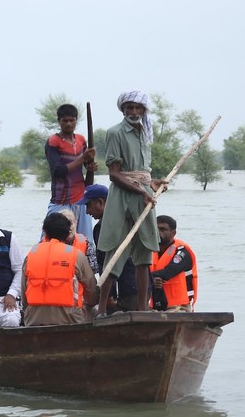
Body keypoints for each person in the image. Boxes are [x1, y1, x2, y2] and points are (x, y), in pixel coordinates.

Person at [94, 90, 168, 318]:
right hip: (123, 198)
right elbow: (114, 174)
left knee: (144, 256)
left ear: (144, 110)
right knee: (115, 253)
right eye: (129, 108)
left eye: (137, 108)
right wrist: (141, 190)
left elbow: (142, 173)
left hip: (144, 196)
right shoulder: (115, 132)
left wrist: (153, 184)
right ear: (123, 110)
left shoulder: (145, 133)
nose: (134, 112)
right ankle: (102, 310)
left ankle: (143, 310)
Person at [20, 212, 97, 326]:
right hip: (69, 319)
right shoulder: (76, 255)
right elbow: (92, 291)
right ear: (67, 234)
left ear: (45, 232)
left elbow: (24, 294)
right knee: (94, 312)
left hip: (34, 319)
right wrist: (89, 304)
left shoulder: (31, 255)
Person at [80, 183, 141, 313]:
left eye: (88, 205)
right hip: (139, 285)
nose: (87, 212)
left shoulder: (103, 227)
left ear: (100, 202)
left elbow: (106, 262)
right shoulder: (128, 217)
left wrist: (109, 294)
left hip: (125, 288)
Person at [45, 103, 97, 243]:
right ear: (59, 121)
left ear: (76, 120)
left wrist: (90, 167)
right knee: (52, 239)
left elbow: (88, 173)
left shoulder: (81, 140)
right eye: (65, 121)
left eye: (71, 120)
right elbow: (58, 171)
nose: (68, 124)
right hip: (60, 201)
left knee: (86, 242)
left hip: (81, 200)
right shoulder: (53, 142)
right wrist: (83, 158)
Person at [150, 215, 198, 312]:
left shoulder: (182, 251)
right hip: (155, 305)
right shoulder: (150, 250)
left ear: (173, 233)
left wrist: (147, 278)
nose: (158, 232)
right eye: (156, 229)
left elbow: (168, 272)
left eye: (163, 229)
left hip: (179, 306)